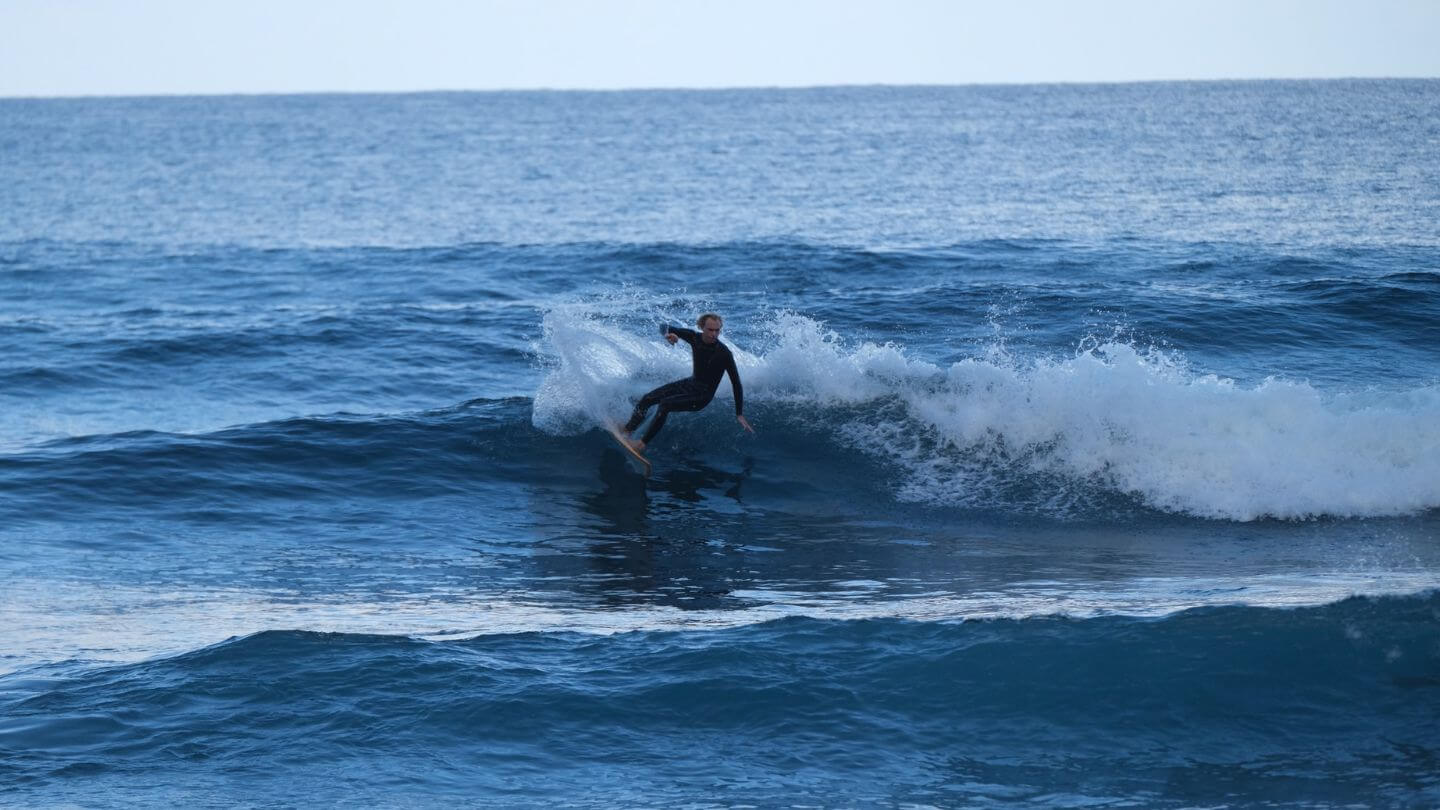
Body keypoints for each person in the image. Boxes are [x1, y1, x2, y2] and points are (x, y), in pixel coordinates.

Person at [622, 313, 754, 452]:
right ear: (702, 327)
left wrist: (739, 413)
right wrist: (668, 335)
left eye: (717, 330)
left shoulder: (724, 353)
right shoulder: (694, 337)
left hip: (702, 396)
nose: (714, 334)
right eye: (710, 330)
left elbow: (736, 383)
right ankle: (628, 429)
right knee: (647, 398)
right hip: (690, 384)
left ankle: (641, 444)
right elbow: (663, 327)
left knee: (665, 405)